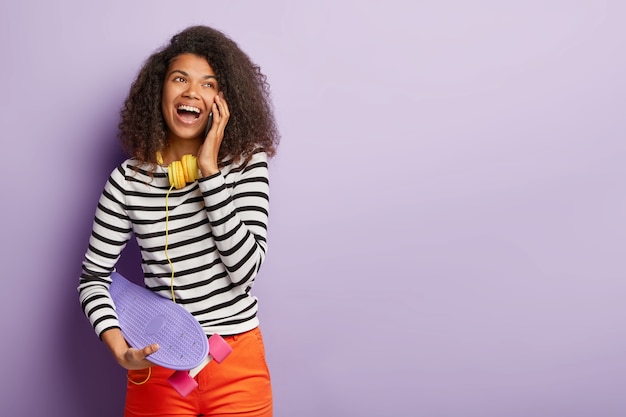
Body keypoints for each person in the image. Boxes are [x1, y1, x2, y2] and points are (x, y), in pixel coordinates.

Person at [78, 25, 279, 417]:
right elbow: (93, 279)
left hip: (236, 362)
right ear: (161, 91)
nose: (191, 92)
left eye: (208, 84)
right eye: (180, 79)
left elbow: (245, 272)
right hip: (159, 362)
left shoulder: (245, 163)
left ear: (222, 100)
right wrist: (120, 348)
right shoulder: (128, 181)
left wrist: (208, 173)